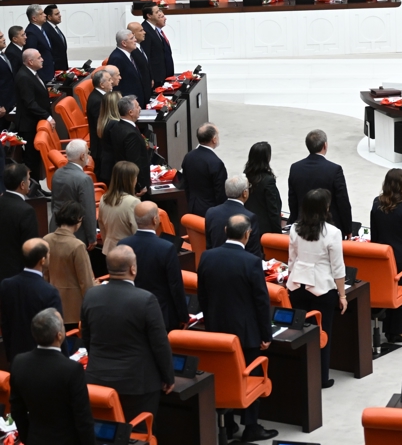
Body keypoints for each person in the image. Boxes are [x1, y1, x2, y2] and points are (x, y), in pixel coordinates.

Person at [196, 215, 276, 444]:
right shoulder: (251, 262)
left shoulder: (207, 256)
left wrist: (210, 322)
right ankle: (251, 426)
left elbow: (202, 294)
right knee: (251, 374)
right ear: (248, 234)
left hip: (216, 330)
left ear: (225, 230)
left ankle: (228, 424)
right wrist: (266, 334)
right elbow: (261, 302)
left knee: (224, 375)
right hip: (246, 332)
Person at [80, 245, 174, 434]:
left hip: (97, 380)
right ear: (133, 268)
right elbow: (159, 344)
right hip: (137, 385)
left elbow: (86, 336)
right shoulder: (146, 299)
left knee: (105, 435)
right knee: (137, 435)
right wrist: (168, 377)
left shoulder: (91, 295)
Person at [287, 189, 346, 388]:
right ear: (325, 208)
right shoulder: (333, 232)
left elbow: (292, 259)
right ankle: (321, 378)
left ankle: (302, 375)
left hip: (297, 286)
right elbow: (338, 268)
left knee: (300, 333)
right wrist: (342, 295)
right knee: (322, 333)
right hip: (322, 289)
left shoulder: (295, 228)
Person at [9, 308, 95, 445]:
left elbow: (17, 410)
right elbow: (83, 419)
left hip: (35, 439)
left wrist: (27, 438)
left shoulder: (19, 362)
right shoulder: (72, 369)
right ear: (59, 335)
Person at [370, 169, 402, 344]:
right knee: (400, 294)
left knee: (387, 291)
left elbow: (374, 232)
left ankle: (387, 327)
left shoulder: (376, 203)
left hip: (383, 257)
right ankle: (395, 332)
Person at [119, 201, 188, 331]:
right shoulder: (167, 248)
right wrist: (183, 316)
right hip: (161, 313)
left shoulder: (123, 245)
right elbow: (175, 285)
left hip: (131, 311)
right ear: (155, 220)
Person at [0, 239, 62, 361]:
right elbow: (56, 330)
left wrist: (10, 354)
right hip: (43, 359)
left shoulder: (6, 285)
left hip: (15, 355)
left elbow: (5, 324)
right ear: (42, 260)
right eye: (48, 253)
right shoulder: (49, 292)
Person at [286, 130, 353, 238]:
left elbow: (292, 200)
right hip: (329, 228)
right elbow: (343, 201)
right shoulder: (334, 170)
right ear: (325, 145)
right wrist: (348, 229)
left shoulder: (295, 168)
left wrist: (294, 222)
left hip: (303, 226)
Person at [43, 202, 95, 326]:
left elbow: (45, 274)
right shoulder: (77, 246)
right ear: (78, 220)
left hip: (52, 302)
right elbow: (86, 281)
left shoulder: (46, 239)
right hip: (74, 306)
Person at [15, 48, 54, 190]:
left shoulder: (32, 73)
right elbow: (30, 103)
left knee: (36, 159)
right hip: (28, 125)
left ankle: (37, 189)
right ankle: (32, 191)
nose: (42, 59)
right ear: (30, 62)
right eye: (39, 57)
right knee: (31, 159)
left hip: (34, 122)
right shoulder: (24, 77)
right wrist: (47, 116)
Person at [51, 139, 96, 248]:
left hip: (55, 227)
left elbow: (54, 202)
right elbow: (88, 210)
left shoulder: (57, 173)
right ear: (82, 156)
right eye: (88, 153)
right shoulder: (84, 179)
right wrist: (92, 237)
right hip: (75, 233)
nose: (89, 156)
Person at [100, 97, 150, 190]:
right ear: (130, 112)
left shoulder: (116, 126)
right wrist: (140, 185)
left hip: (122, 178)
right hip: (133, 185)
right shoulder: (131, 134)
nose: (140, 108)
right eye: (137, 106)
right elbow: (134, 162)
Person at [206, 176, 262, 257]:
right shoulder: (250, 217)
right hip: (241, 263)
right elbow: (254, 253)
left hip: (215, 261)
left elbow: (209, 246)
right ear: (244, 193)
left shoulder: (211, 212)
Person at [0, 163, 39, 280]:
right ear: (22, 184)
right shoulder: (26, 211)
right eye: (28, 179)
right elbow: (31, 247)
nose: (30, 182)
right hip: (16, 274)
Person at [181, 123, 228, 215]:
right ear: (214, 139)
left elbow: (185, 184)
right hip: (210, 211)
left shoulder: (188, 156)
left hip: (192, 206)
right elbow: (221, 194)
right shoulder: (216, 163)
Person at [99, 162, 139, 255]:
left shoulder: (103, 198)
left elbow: (101, 226)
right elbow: (137, 232)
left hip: (109, 250)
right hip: (127, 253)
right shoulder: (133, 202)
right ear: (131, 180)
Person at [244, 142, 283, 235]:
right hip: (264, 229)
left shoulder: (245, 177)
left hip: (247, 225)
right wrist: (278, 232)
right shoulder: (268, 181)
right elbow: (273, 209)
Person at [107, 29, 147, 107]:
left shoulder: (129, 54)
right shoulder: (117, 58)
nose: (135, 40)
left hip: (135, 100)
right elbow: (115, 84)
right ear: (124, 43)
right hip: (127, 104)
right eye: (132, 38)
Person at [140, 4, 174, 87]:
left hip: (162, 75)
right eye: (156, 12)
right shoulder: (145, 30)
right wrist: (151, 77)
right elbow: (146, 56)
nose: (160, 14)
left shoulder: (154, 29)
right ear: (149, 16)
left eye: (159, 11)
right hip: (156, 78)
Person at [23, 4, 54, 82]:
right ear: (34, 18)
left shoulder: (41, 29)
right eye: (41, 14)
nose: (45, 15)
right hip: (42, 73)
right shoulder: (31, 33)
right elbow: (32, 55)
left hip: (48, 70)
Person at [126, 22, 152, 103]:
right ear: (133, 34)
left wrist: (151, 78)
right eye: (141, 30)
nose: (144, 32)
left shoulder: (140, 46)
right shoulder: (132, 51)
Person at [44, 4, 68, 72]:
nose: (60, 15)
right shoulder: (46, 29)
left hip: (62, 67)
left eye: (59, 13)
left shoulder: (54, 27)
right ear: (49, 17)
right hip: (55, 69)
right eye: (56, 14)